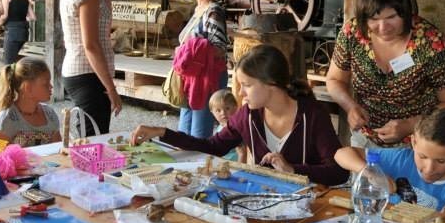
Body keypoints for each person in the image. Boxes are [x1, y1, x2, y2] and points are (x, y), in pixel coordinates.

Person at [131, 44, 347, 186]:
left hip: (308, 206)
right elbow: (213, 147)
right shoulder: (248, 116)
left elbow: (339, 172)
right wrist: (162, 132)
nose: (241, 93)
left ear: (270, 84)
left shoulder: (313, 115)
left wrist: (293, 170)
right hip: (264, 201)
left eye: (247, 85)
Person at [326, 0, 445, 148]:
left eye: (391, 17)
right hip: (365, 140)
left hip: (418, 144)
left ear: (406, 11)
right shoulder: (352, 33)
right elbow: (334, 79)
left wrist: (411, 125)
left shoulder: (431, 42)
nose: (383, 27)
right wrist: (350, 106)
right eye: (373, 19)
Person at [335, 108, 445, 223]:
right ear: (413, 143)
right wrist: (372, 173)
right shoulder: (402, 159)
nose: (429, 168)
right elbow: (342, 154)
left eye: (441, 161)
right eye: (422, 156)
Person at [60, 0, 121, 136]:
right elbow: (91, 45)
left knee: (92, 134)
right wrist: (111, 89)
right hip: (87, 73)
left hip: (81, 70)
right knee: (93, 138)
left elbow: (103, 30)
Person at [176, 0, 230, 138]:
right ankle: (183, 163)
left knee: (199, 128)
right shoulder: (198, 11)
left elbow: (219, 48)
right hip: (192, 76)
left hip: (207, 77)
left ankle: (199, 163)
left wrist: (190, 51)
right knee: (185, 125)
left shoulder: (214, 11)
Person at [0, 58, 61, 147]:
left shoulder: (50, 114)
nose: (51, 86)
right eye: (45, 83)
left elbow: (59, 149)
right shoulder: (4, 123)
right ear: (28, 88)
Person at [0, 0, 31, 64]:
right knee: (15, 60)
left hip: (12, 33)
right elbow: (32, 17)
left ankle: (9, 78)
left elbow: (4, 15)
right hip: (24, 33)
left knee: (8, 62)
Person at [209, 88, 244, 162]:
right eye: (218, 110)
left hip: (233, 165)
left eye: (227, 108)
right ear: (212, 113)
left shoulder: (235, 130)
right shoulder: (220, 126)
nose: (223, 113)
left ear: (235, 107)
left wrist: (239, 170)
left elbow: (242, 153)